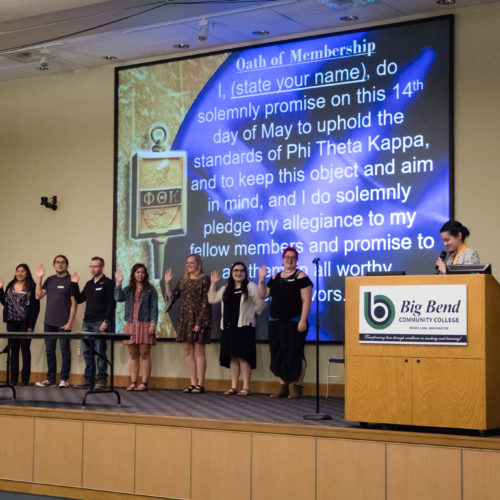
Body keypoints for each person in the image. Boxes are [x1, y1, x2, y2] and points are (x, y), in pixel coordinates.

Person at [258, 247, 313, 399]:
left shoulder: (302, 277)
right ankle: (283, 387)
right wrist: (261, 279)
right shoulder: (275, 277)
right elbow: (262, 294)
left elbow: (306, 301)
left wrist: (302, 320)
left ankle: (297, 386)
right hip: (275, 322)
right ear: (282, 260)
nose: (290, 259)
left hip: (295, 322)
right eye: (287, 257)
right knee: (279, 353)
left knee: (296, 353)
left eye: (293, 257)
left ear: (297, 260)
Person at [208, 262, 265, 396]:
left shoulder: (250, 286)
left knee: (243, 358)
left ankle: (245, 387)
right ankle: (233, 386)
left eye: (241, 271)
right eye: (235, 270)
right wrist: (213, 283)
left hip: (244, 328)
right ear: (231, 273)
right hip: (228, 328)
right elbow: (212, 299)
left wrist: (253, 312)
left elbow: (261, 305)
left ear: (245, 273)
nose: (238, 273)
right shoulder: (226, 288)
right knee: (233, 358)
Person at [164, 254, 211, 394]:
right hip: (185, 319)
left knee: (199, 351)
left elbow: (205, 302)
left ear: (198, 264)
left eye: (191, 262)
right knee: (188, 351)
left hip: (199, 318)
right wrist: (167, 284)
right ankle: (193, 382)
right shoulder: (183, 280)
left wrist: (200, 322)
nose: (188, 265)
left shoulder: (205, 279)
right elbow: (172, 298)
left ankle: (201, 384)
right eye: (187, 262)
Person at [72, 256, 115, 390]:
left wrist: (106, 321)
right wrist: (74, 284)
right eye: (91, 266)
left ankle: (101, 380)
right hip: (87, 323)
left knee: (100, 352)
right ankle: (88, 380)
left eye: (95, 266)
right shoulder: (89, 284)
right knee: (87, 353)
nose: (93, 269)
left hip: (100, 322)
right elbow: (79, 299)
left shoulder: (108, 283)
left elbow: (111, 304)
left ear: (102, 267)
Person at [35, 255, 78, 388]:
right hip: (49, 322)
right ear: (54, 265)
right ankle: (50, 378)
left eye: (63, 262)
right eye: (57, 262)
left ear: (66, 265)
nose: (60, 265)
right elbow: (38, 295)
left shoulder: (71, 281)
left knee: (65, 350)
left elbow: (74, 304)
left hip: (64, 323)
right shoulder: (49, 280)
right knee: (49, 350)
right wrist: (39, 277)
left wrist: (70, 322)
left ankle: (64, 379)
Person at [115, 263, 158, 391]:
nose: (140, 274)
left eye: (142, 272)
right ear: (134, 274)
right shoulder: (128, 289)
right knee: (133, 355)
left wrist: (153, 323)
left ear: (146, 274)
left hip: (145, 323)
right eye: (138, 272)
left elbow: (154, 307)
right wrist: (118, 284)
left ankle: (144, 383)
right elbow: (117, 298)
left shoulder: (151, 289)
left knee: (145, 354)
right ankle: (133, 382)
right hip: (131, 323)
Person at [0, 264, 40, 386]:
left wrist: (31, 325)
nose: (20, 273)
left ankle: (25, 379)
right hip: (12, 323)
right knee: (14, 351)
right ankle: (13, 379)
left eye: (22, 271)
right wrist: (0, 289)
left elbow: (35, 308)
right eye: (18, 271)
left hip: (25, 324)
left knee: (25, 350)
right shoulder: (10, 285)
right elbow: (4, 302)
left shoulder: (32, 287)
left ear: (27, 273)